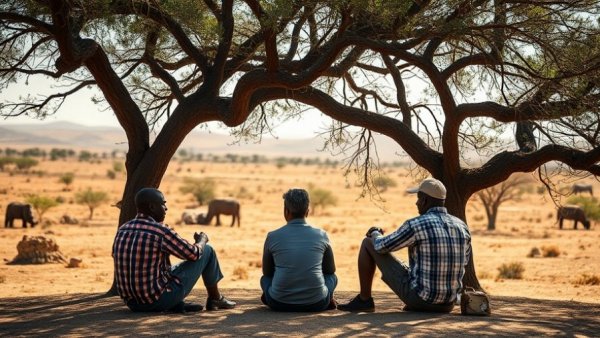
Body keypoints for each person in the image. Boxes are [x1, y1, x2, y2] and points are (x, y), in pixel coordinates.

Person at [338, 178, 471, 313]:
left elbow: (380, 246)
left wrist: (375, 233)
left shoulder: (417, 224)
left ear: (425, 200)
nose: (416, 203)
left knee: (368, 243)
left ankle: (364, 300)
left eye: (419, 198)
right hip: (448, 304)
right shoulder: (462, 226)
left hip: (421, 299)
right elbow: (464, 262)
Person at [112, 187, 236, 313]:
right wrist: (202, 240)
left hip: (132, 304)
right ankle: (215, 298)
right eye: (163, 204)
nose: (166, 208)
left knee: (169, 268)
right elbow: (194, 254)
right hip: (155, 300)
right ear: (152, 207)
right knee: (207, 251)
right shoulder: (160, 231)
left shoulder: (123, 229)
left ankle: (175, 304)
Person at [260, 188, 338, 312]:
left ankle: (271, 295)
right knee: (332, 277)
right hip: (317, 303)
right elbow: (330, 270)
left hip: (278, 303)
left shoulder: (273, 236)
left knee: (264, 280)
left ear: (286, 211)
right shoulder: (321, 235)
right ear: (307, 212)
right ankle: (328, 298)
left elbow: (267, 272)